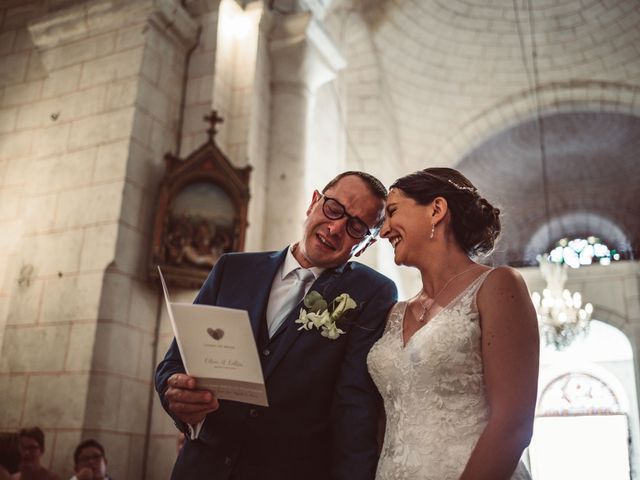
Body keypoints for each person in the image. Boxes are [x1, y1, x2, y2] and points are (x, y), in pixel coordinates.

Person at [156, 171, 398, 480]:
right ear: (313, 203)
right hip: (202, 467)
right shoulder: (232, 269)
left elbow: (354, 407)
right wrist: (174, 393)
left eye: (355, 227)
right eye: (334, 209)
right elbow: (174, 362)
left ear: (363, 246)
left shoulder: (370, 293)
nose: (336, 228)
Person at [367, 168, 539, 480]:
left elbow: (513, 423)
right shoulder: (393, 313)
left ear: (436, 210)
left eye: (392, 212)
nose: (383, 231)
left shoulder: (497, 285)